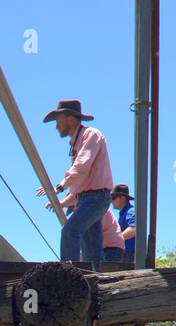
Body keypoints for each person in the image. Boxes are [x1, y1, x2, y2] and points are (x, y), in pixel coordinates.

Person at [37, 99, 114, 266]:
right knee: (92, 251)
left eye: (58, 120)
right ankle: (95, 283)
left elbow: (82, 167)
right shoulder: (77, 142)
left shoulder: (91, 135)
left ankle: (67, 276)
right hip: (88, 199)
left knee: (70, 231)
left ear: (70, 118)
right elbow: (81, 183)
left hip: (96, 198)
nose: (57, 126)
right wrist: (65, 200)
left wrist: (59, 187)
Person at [112, 184, 137, 263]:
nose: (111, 201)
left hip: (130, 254)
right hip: (127, 254)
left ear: (122, 198)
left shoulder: (130, 211)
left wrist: (115, 240)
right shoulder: (125, 213)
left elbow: (133, 230)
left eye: (113, 198)